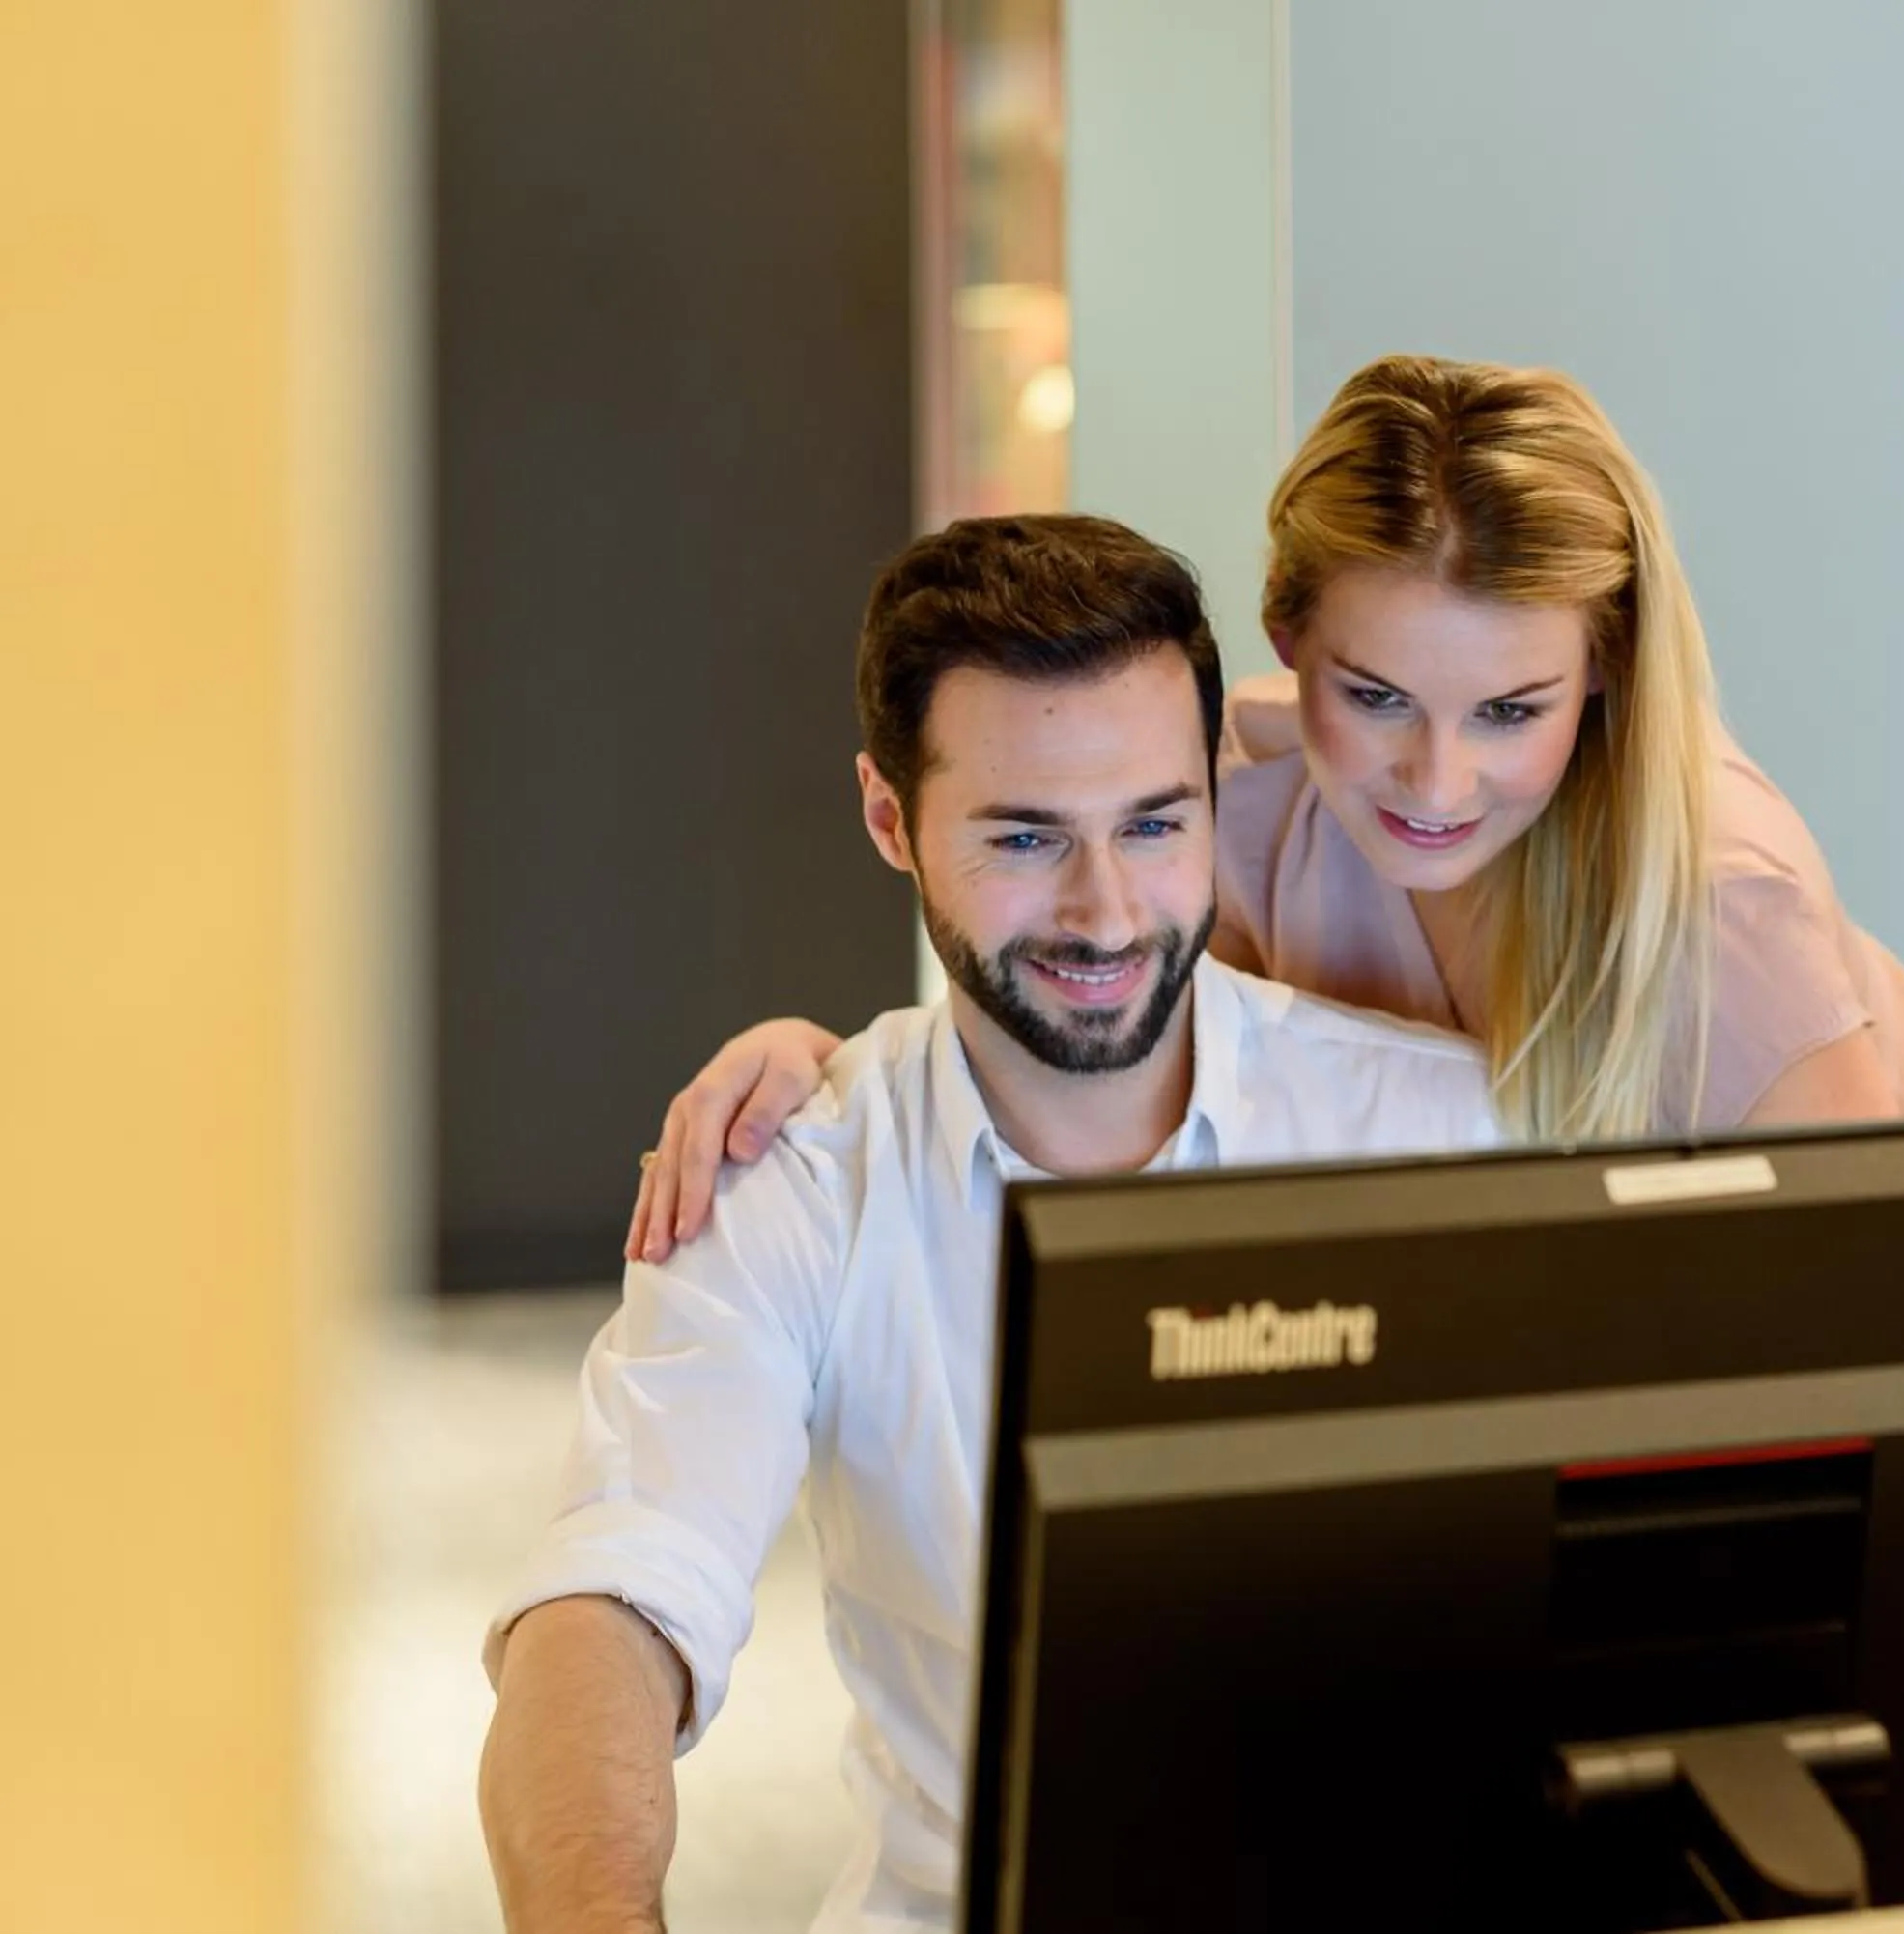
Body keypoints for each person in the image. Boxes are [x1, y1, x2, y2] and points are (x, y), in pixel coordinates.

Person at [478, 515, 1497, 1934]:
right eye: (1026, 837)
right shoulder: (794, 1173)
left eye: (1154, 822)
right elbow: (611, 1602)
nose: (1105, 911)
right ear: (893, 820)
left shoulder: (1450, 1134)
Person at [629, 354, 1904, 1265]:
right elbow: (1082, 1035)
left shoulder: (1720, 903)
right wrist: (829, 1068)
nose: (1438, 782)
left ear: (1607, 676)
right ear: (1288, 630)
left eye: (1512, 711)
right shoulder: (1233, 807)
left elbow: (1871, 1330)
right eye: (1381, 694)